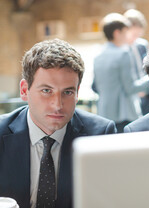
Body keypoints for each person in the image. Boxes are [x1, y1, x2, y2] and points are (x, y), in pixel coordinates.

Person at [0, 39, 117, 208]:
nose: (58, 105)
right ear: (25, 90)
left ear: (77, 93)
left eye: (68, 92)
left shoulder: (99, 135)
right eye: (46, 91)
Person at [92, 13, 149, 132]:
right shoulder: (123, 54)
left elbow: (96, 87)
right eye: (125, 32)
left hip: (105, 113)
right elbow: (130, 88)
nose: (127, 36)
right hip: (124, 114)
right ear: (116, 33)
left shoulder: (98, 56)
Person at [124, 9, 149, 115]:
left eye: (138, 35)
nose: (136, 38)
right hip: (131, 95)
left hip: (147, 93)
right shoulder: (121, 50)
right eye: (134, 34)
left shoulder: (142, 45)